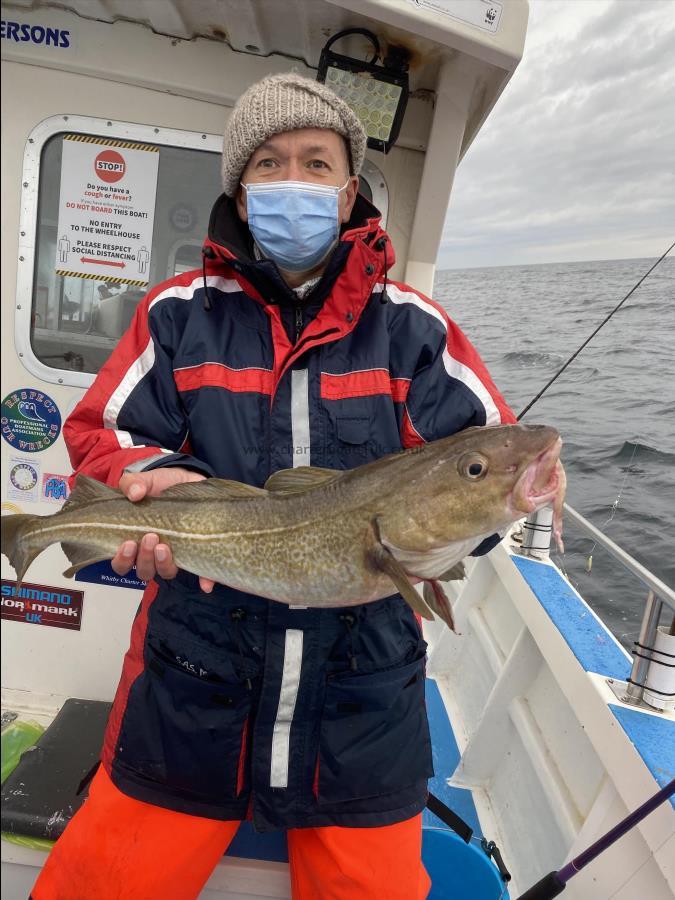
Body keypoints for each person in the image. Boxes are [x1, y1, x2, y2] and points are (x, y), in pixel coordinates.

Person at [32, 73, 515, 900]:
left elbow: (481, 465)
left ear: (348, 189)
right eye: (269, 163)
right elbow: (96, 433)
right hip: (190, 689)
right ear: (242, 192)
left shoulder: (414, 331)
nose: (294, 181)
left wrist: (476, 519)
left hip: (360, 712)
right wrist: (150, 482)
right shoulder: (176, 314)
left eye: (316, 164)